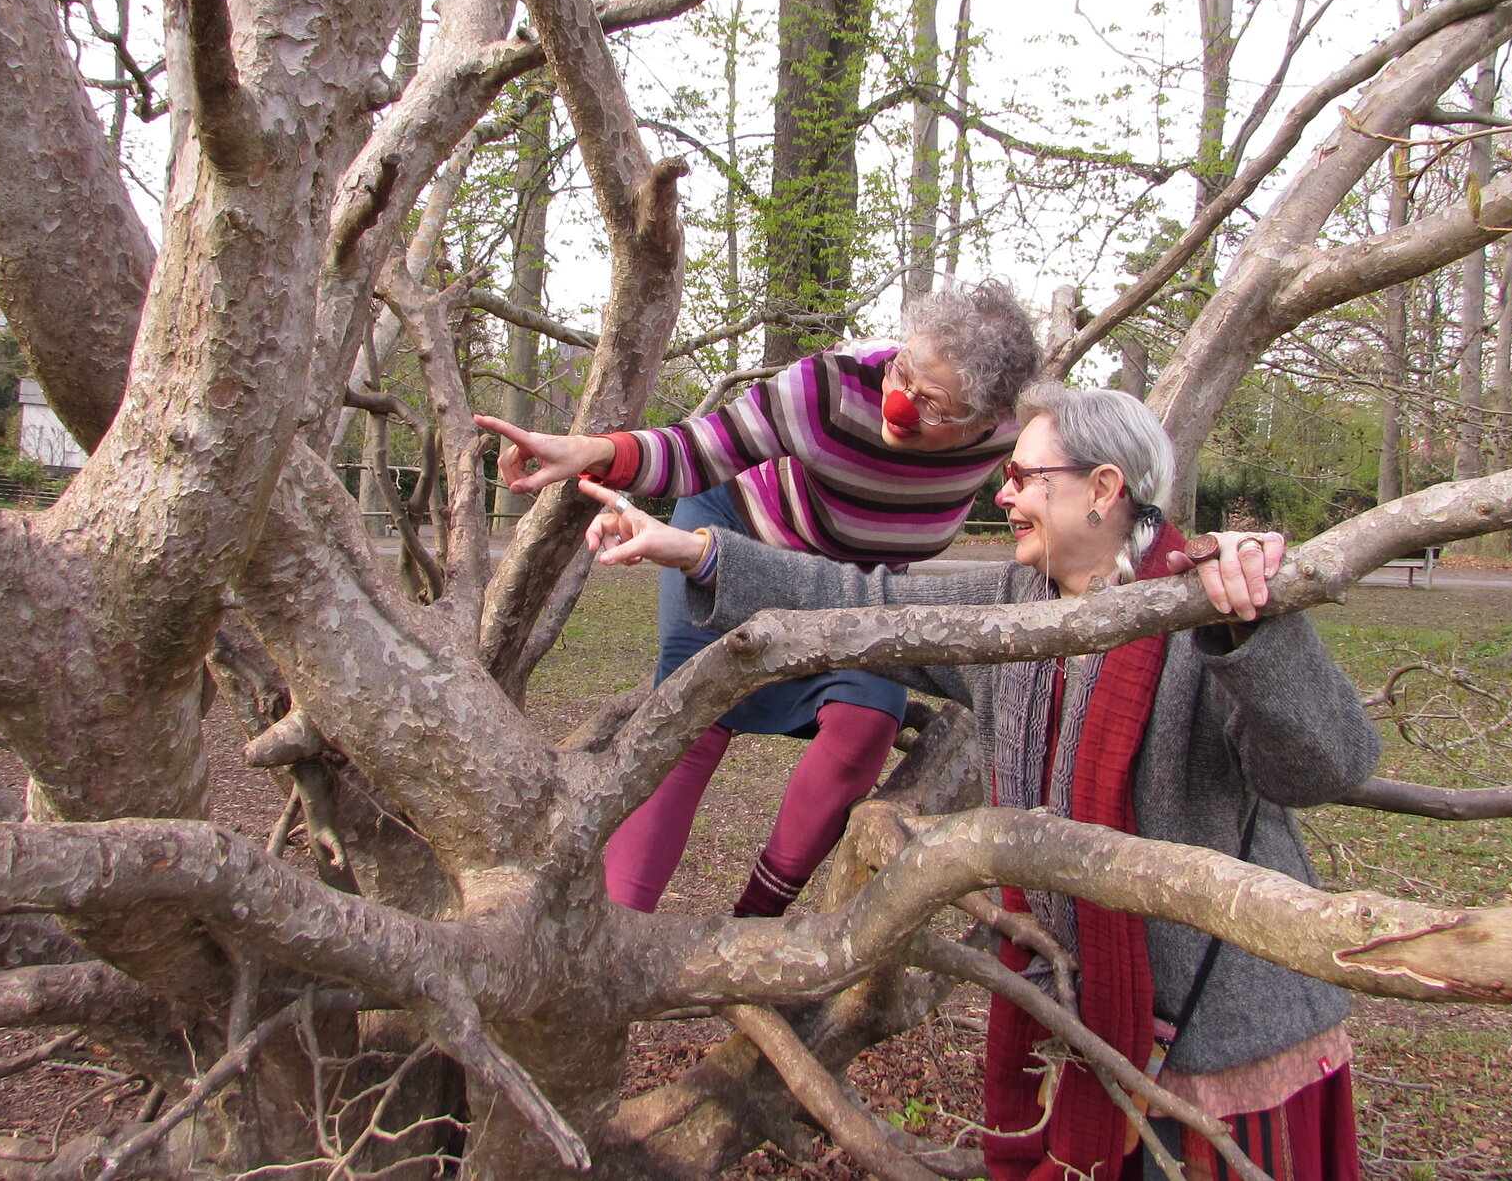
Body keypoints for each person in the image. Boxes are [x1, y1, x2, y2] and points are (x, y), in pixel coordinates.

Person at [577, 382, 1376, 1181]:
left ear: (1103, 490)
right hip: (1072, 1023)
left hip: (1225, 1049)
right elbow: (858, 600)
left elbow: (1326, 767)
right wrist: (694, 550)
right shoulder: (1011, 606)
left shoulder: (1202, 601)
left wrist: (1258, 631)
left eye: (1027, 478)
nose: (1003, 493)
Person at [475, 280, 1038, 919]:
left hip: (854, 586)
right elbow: (701, 449)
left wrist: (1156, 547)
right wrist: (591, 452)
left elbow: (1093, 475)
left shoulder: (1020, 433)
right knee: (692, 717)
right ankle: (614, 929)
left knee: (867, 723)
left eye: (931, 404)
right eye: (901, 370)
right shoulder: (827, 390)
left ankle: (756, 920)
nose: (899, 403)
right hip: (735, 536)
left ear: (989, 421)